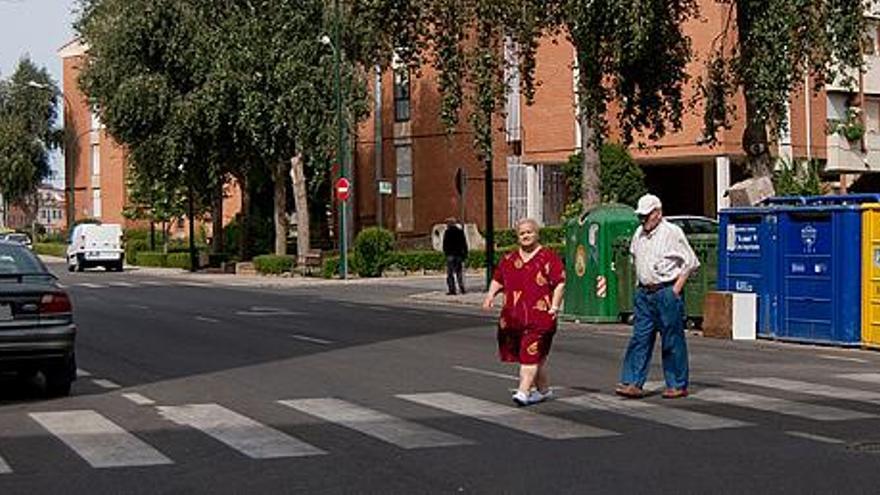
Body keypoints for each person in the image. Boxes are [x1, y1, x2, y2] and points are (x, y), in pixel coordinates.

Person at [616, 194, 700, 399]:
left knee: (671, 340)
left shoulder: (672, 232)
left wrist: (675, 290)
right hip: (645, 293)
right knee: (640, 338)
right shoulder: (639, 233)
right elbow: (635, 257)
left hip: (665, 291)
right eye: (641, 216)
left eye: (646, 216)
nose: (643, 220)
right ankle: (633, 382)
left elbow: (690, 262)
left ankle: (677, 384)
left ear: (658, 213)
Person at [482, 218, 566, 406]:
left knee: (529, 354)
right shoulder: (509, 259)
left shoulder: (548, 257)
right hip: (512, 318)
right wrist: (490, 296)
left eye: (529, 232)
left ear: (537, 234)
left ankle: (523, 391)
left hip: (540, 318)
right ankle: (543, 391)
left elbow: (559, 283)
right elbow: (498, 279)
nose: (526, 236)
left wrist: (554, 306)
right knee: (535, 356)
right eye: (522, 233)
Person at [442, 218, 468, 295]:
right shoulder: (460, 232)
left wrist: (446, 253)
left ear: (449, 224)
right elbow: (464, 244)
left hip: (450, 255)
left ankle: (452, 290)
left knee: (450, 274)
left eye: (447, 224)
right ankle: (462, 288)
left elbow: (445, 245)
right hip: (459, 255)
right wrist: (465, 254)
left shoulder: (447, 232)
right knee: (459, 272)